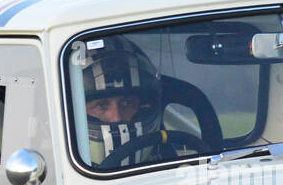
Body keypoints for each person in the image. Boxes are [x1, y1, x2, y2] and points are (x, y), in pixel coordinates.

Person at [78, 37, 202, 168]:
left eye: (127, 103)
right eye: (101, 106)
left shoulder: (181, 170)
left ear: (145, 107)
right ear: (77, 112)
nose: (117, 117)